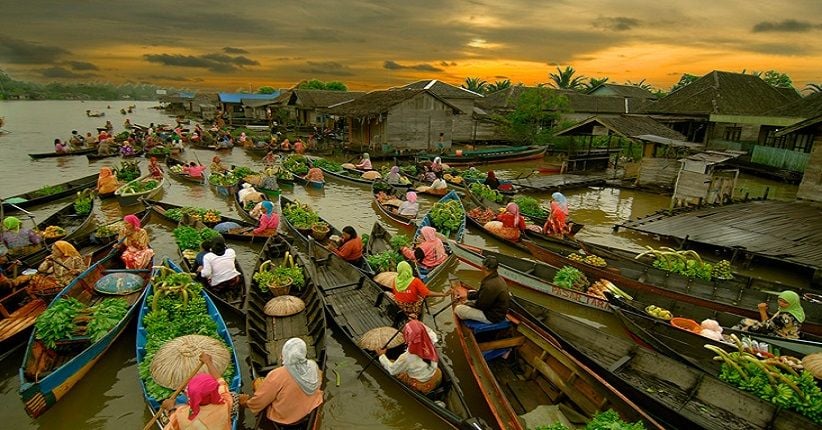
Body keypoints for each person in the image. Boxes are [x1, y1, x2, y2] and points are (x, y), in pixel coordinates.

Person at [242, 338, 323, 426]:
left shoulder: (277, 374)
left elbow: (259, 402)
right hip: (310, 409)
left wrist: (246, 403)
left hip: (284, 419)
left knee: (258, 382)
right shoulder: (313, 365)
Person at [161, 353, 234, 430]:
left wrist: (170, 408)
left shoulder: (180, 415)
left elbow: (174, 420)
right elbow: (220, 380)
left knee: (178, 407)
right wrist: (208, 362)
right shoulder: (226, 403)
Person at [376, 318, 442, 394]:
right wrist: (415, 321)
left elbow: (392, 370)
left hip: (420, 383)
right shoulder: (431, 339)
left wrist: (382, 355)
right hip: (435, 375)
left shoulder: (407, 357)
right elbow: (426, 330)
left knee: (391, 363)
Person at [454, 256, 510, 324]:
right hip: (496, 310)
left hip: (492, 317)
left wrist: (467, 303)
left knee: (458, 309)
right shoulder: (497, 278)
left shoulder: (489, 285)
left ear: (485, 267)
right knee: (471, 292)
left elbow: (481, 306)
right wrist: (467, 296)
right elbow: (480, 293)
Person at [734, 291, 805, 339]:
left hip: (782, 337)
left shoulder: (785, 317)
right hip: (778, 329)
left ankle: (734, 336)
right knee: (745, 321)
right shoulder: (797, 310)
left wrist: (762, 311)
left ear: (792, 303)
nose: (781, 304)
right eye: (780, 300)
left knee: (749, 327)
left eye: (785, 302)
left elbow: (766, 327)